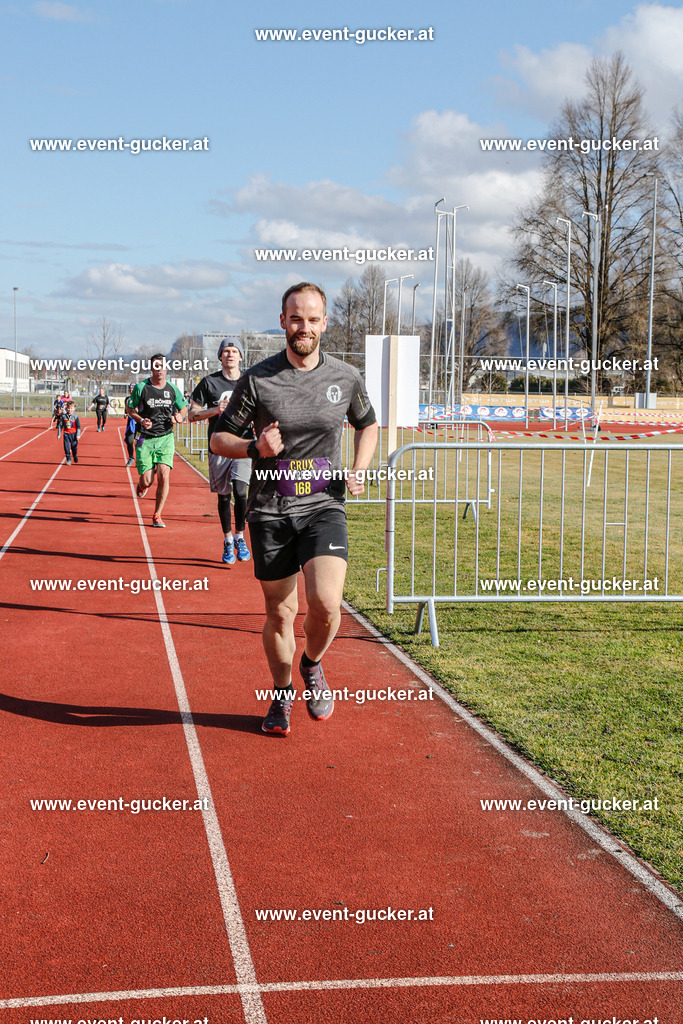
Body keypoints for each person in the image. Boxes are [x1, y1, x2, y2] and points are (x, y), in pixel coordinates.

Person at [211, 282, 378, 735]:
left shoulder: (345, 377)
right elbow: (218, 438)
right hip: (270, 509)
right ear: (283, 321)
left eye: (312, 318)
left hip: (324, 504)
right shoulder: (259, 378)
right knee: (280, 613)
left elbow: (368, 425)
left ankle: (312, 663)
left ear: (325, 323)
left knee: (325, 603)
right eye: (295, 318)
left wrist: (359, 468)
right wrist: (253, 446)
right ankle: (282, 694)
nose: (303, 326)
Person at [189, 338, 253, 565]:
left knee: (241, 490)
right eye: (226, 351)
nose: (230, 355)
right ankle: (227, 540)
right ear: (220, 356)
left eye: (235, 351)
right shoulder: (209, 383)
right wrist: (215, 410)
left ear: (241, 356)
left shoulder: (250, 380)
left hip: (244, 445)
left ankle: (240, 536)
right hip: (218, 447)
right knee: (224, 496)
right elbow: (191, 415)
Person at [125, 355, 188, 528]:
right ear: (151, 368)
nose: (159, 368)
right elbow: (130, 409)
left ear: (167, 368)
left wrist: (179, 417)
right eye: (156, 366)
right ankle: (142, 485)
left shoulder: (173, 389)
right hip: (144, 438)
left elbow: (183, 409)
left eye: (162, 365)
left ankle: (157, 514)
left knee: (164, 475)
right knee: (147, 480)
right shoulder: (141, 388)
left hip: (165, 438)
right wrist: (140, 419)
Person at [123, 382, 137, 467]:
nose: (131, 391)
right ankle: (131, 457)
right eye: (130, 389)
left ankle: (139, 460)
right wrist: (126, 414)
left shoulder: (141, 398)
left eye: (132, 389)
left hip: (139, 425)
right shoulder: (127, 399)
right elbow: (126, 410)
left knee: (140, 443)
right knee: (129, 441)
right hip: (131, 424)